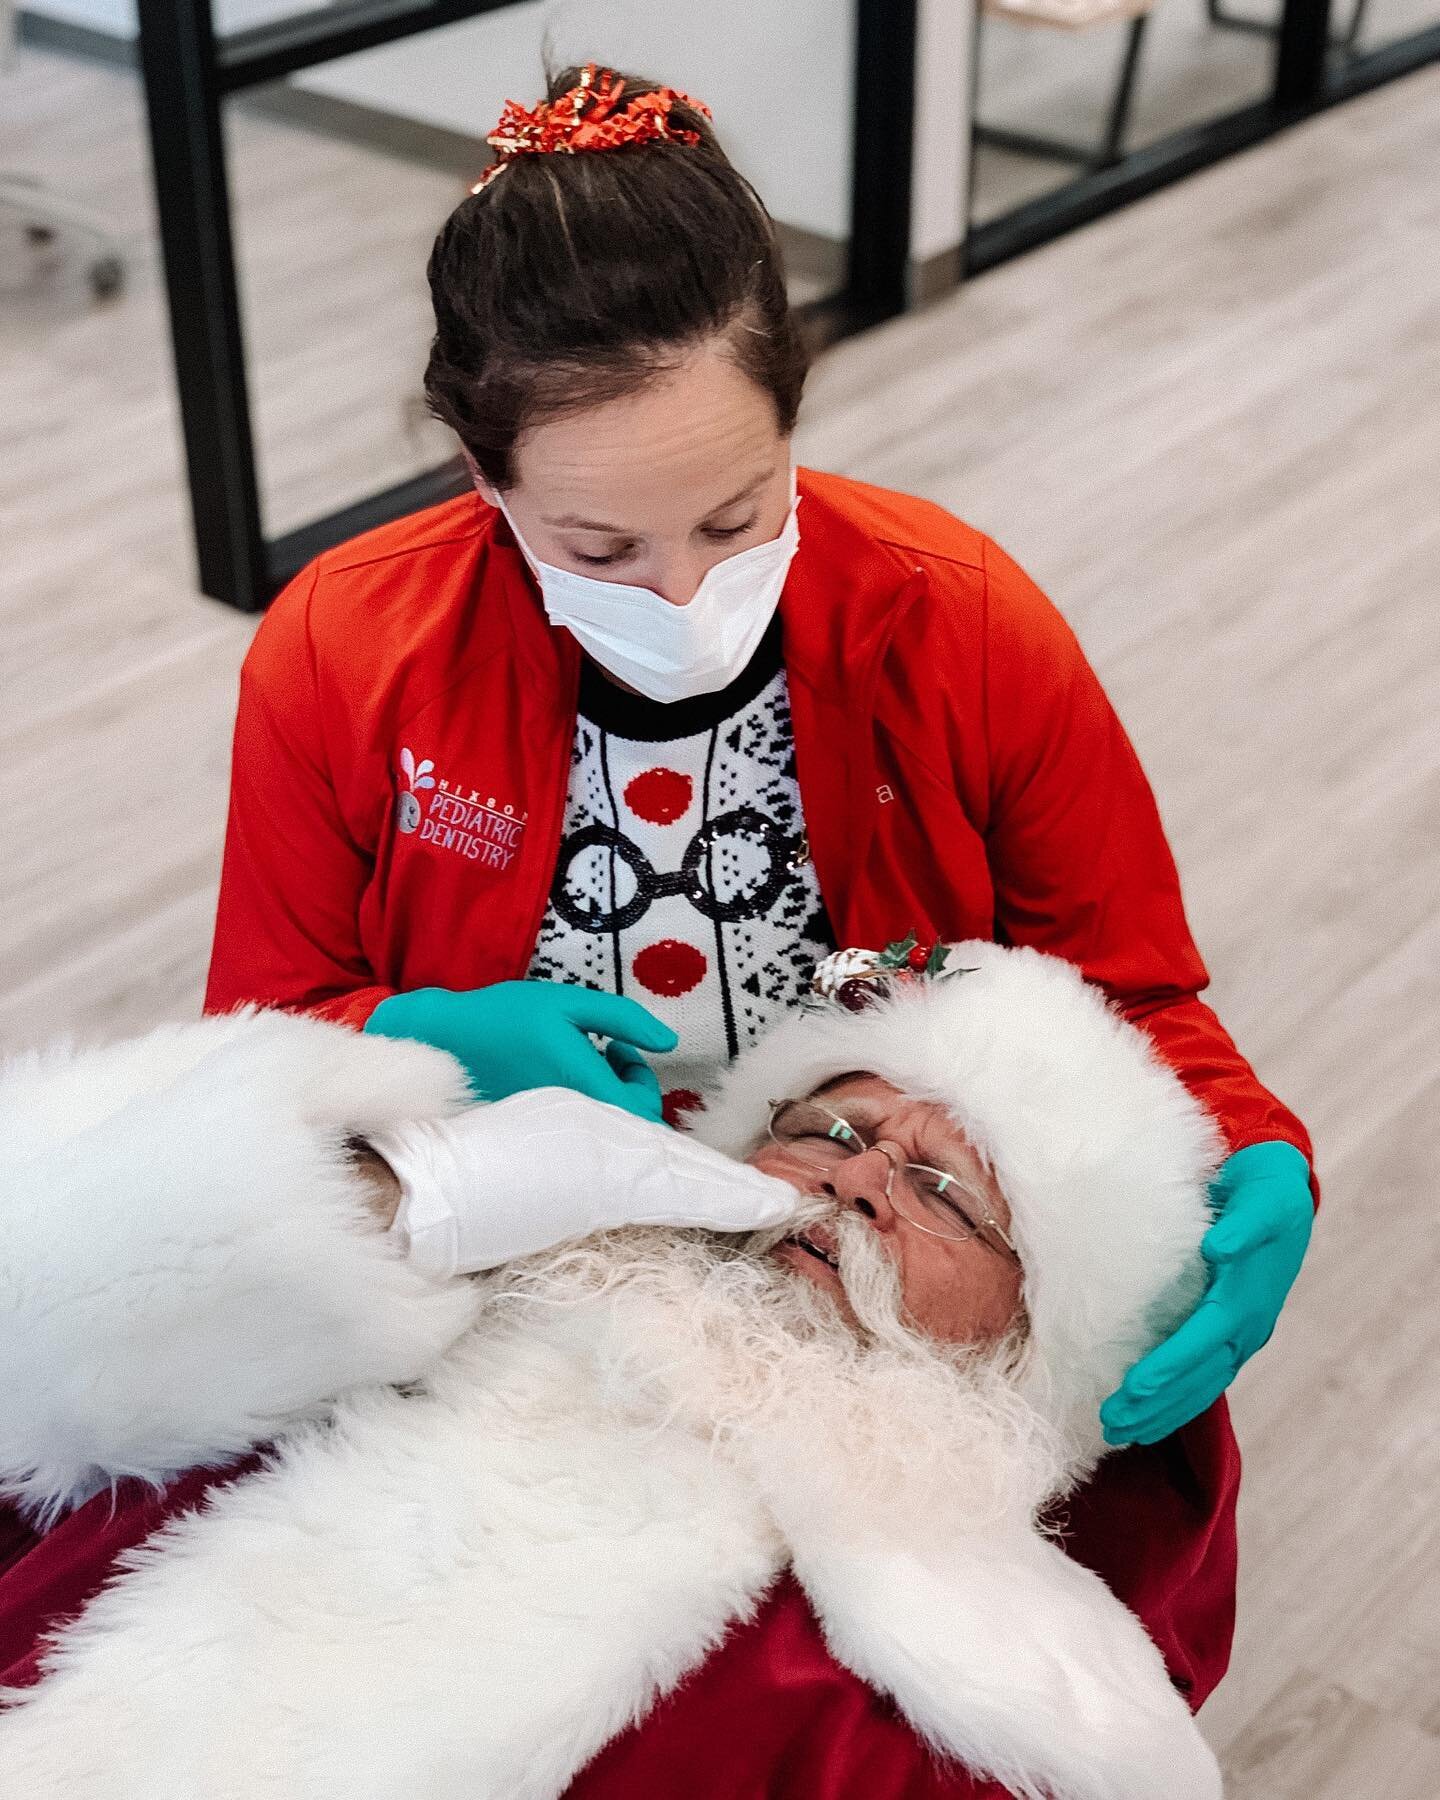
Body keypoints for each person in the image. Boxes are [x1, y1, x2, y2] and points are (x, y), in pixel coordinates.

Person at [201, 58, 1316, 1739]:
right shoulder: (342, 654)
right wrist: (409, 1032)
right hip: (523, 1285)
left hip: (859, 1314)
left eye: (740, 513)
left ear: (796, 406)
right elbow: (257, 1049)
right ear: (478, 475)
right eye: (597, 548)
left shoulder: (962, 623)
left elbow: (1133, 992)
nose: (687, 592)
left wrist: (1260, 1150)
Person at [1, 942, 1227, 1799]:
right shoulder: (460, 1279)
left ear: (1024, 1337)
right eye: (830, 1133)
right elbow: (41, 1330)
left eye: (940, 1194)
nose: (857, 1181)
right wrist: (398, 1196)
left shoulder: (968, 1698)